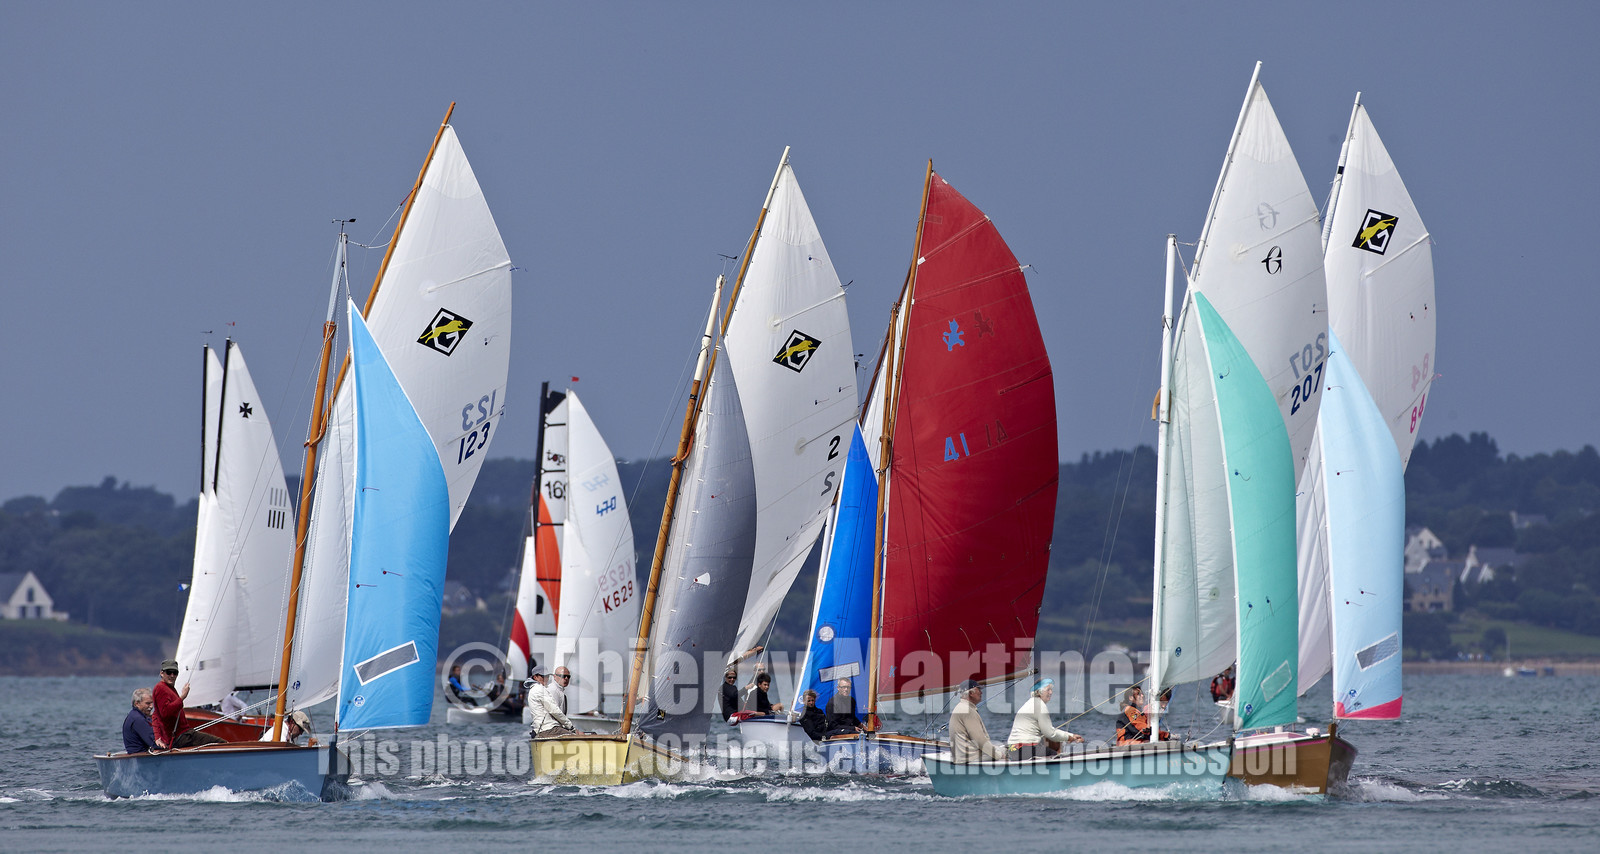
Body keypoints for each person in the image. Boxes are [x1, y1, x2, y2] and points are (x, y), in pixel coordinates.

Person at [151, 659, 225, 749]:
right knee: (221, 743)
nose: (172, 675)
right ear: (162, 673)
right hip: (181, 737)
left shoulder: (168, 688)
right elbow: (166, 713)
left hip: (184, 734)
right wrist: (182, 697)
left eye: (175, 673)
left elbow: (156, 714)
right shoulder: (161, 688)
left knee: (216, 743)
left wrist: (157, 737)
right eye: (169, 672)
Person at [1005, 678, 1083, 760]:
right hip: (1025, 749)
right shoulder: (1040, 706)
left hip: (1012, 750)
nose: (1051, 692)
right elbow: (1050, 733)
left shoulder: (1029, 703)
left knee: (1051, 743)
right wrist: (1071, 737)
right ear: (1039, 692)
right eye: (1048, 690)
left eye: (1051, 690)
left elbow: (1048, 733)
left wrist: (1070, 736)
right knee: (1056, 756)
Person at [948, 679, 1006, 763]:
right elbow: (979, 740)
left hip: (961, 757)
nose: (981, 693)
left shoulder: (961, 707)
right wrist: (999, 755)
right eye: (978, 690)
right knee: (1006, 750)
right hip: (970, 758)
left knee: (997, 747)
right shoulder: (968, 710)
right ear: (971, 693)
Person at [524, 664, 576, 738]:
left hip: (544, 729)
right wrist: (570, 726)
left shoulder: (535, 689)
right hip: (548, 730)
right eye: (543, 676)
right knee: (576, 737)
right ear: (535, 677)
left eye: (547, 676)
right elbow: (554, 710)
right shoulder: (539, 689)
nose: (546, 678)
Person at [121, 688, 158, 754]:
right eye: (148, 703)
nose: (151, 706)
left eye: (152, 703)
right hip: (140, 756)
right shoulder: (138, 719)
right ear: (137, 704)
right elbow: (154, 743)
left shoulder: (135, 715)